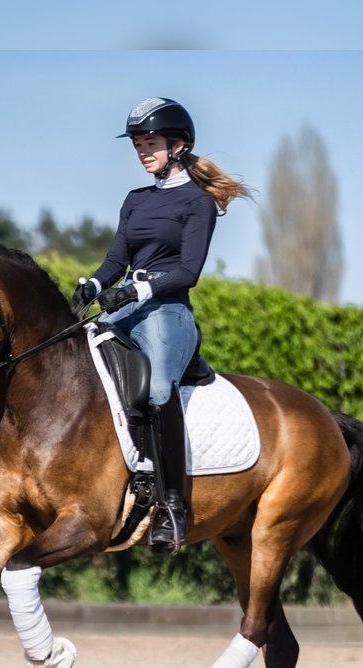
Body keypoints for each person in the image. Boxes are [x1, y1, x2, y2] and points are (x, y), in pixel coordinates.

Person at [72, 97, 252, 555]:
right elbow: (117, 259)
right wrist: (93, 284)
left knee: (156, 392)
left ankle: (173, 504)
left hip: (167, 312)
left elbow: (188, 271)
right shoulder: (135, 201)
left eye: (149, 143)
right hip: (125, 309)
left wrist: (136, 291)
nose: (142, 152)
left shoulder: (197, 202)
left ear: (178, 146)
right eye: (137, 145)